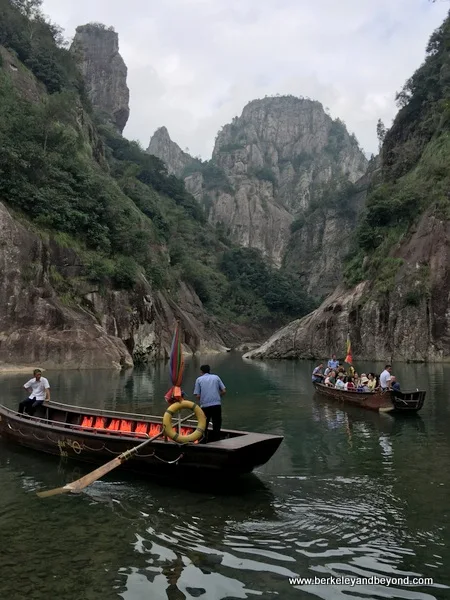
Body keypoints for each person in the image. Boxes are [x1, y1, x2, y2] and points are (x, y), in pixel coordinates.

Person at [193, 364, 226, 443]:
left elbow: (197, 395)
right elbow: (224, 391)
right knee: (217, 424)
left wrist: (202, 400)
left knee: (204, 424)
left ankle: (203, 441)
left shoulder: (199, 379)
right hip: (217, 405)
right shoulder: (216, 377)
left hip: (205, 406)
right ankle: (217, 441)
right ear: (209, 370)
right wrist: (218, 396)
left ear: (201, 371)